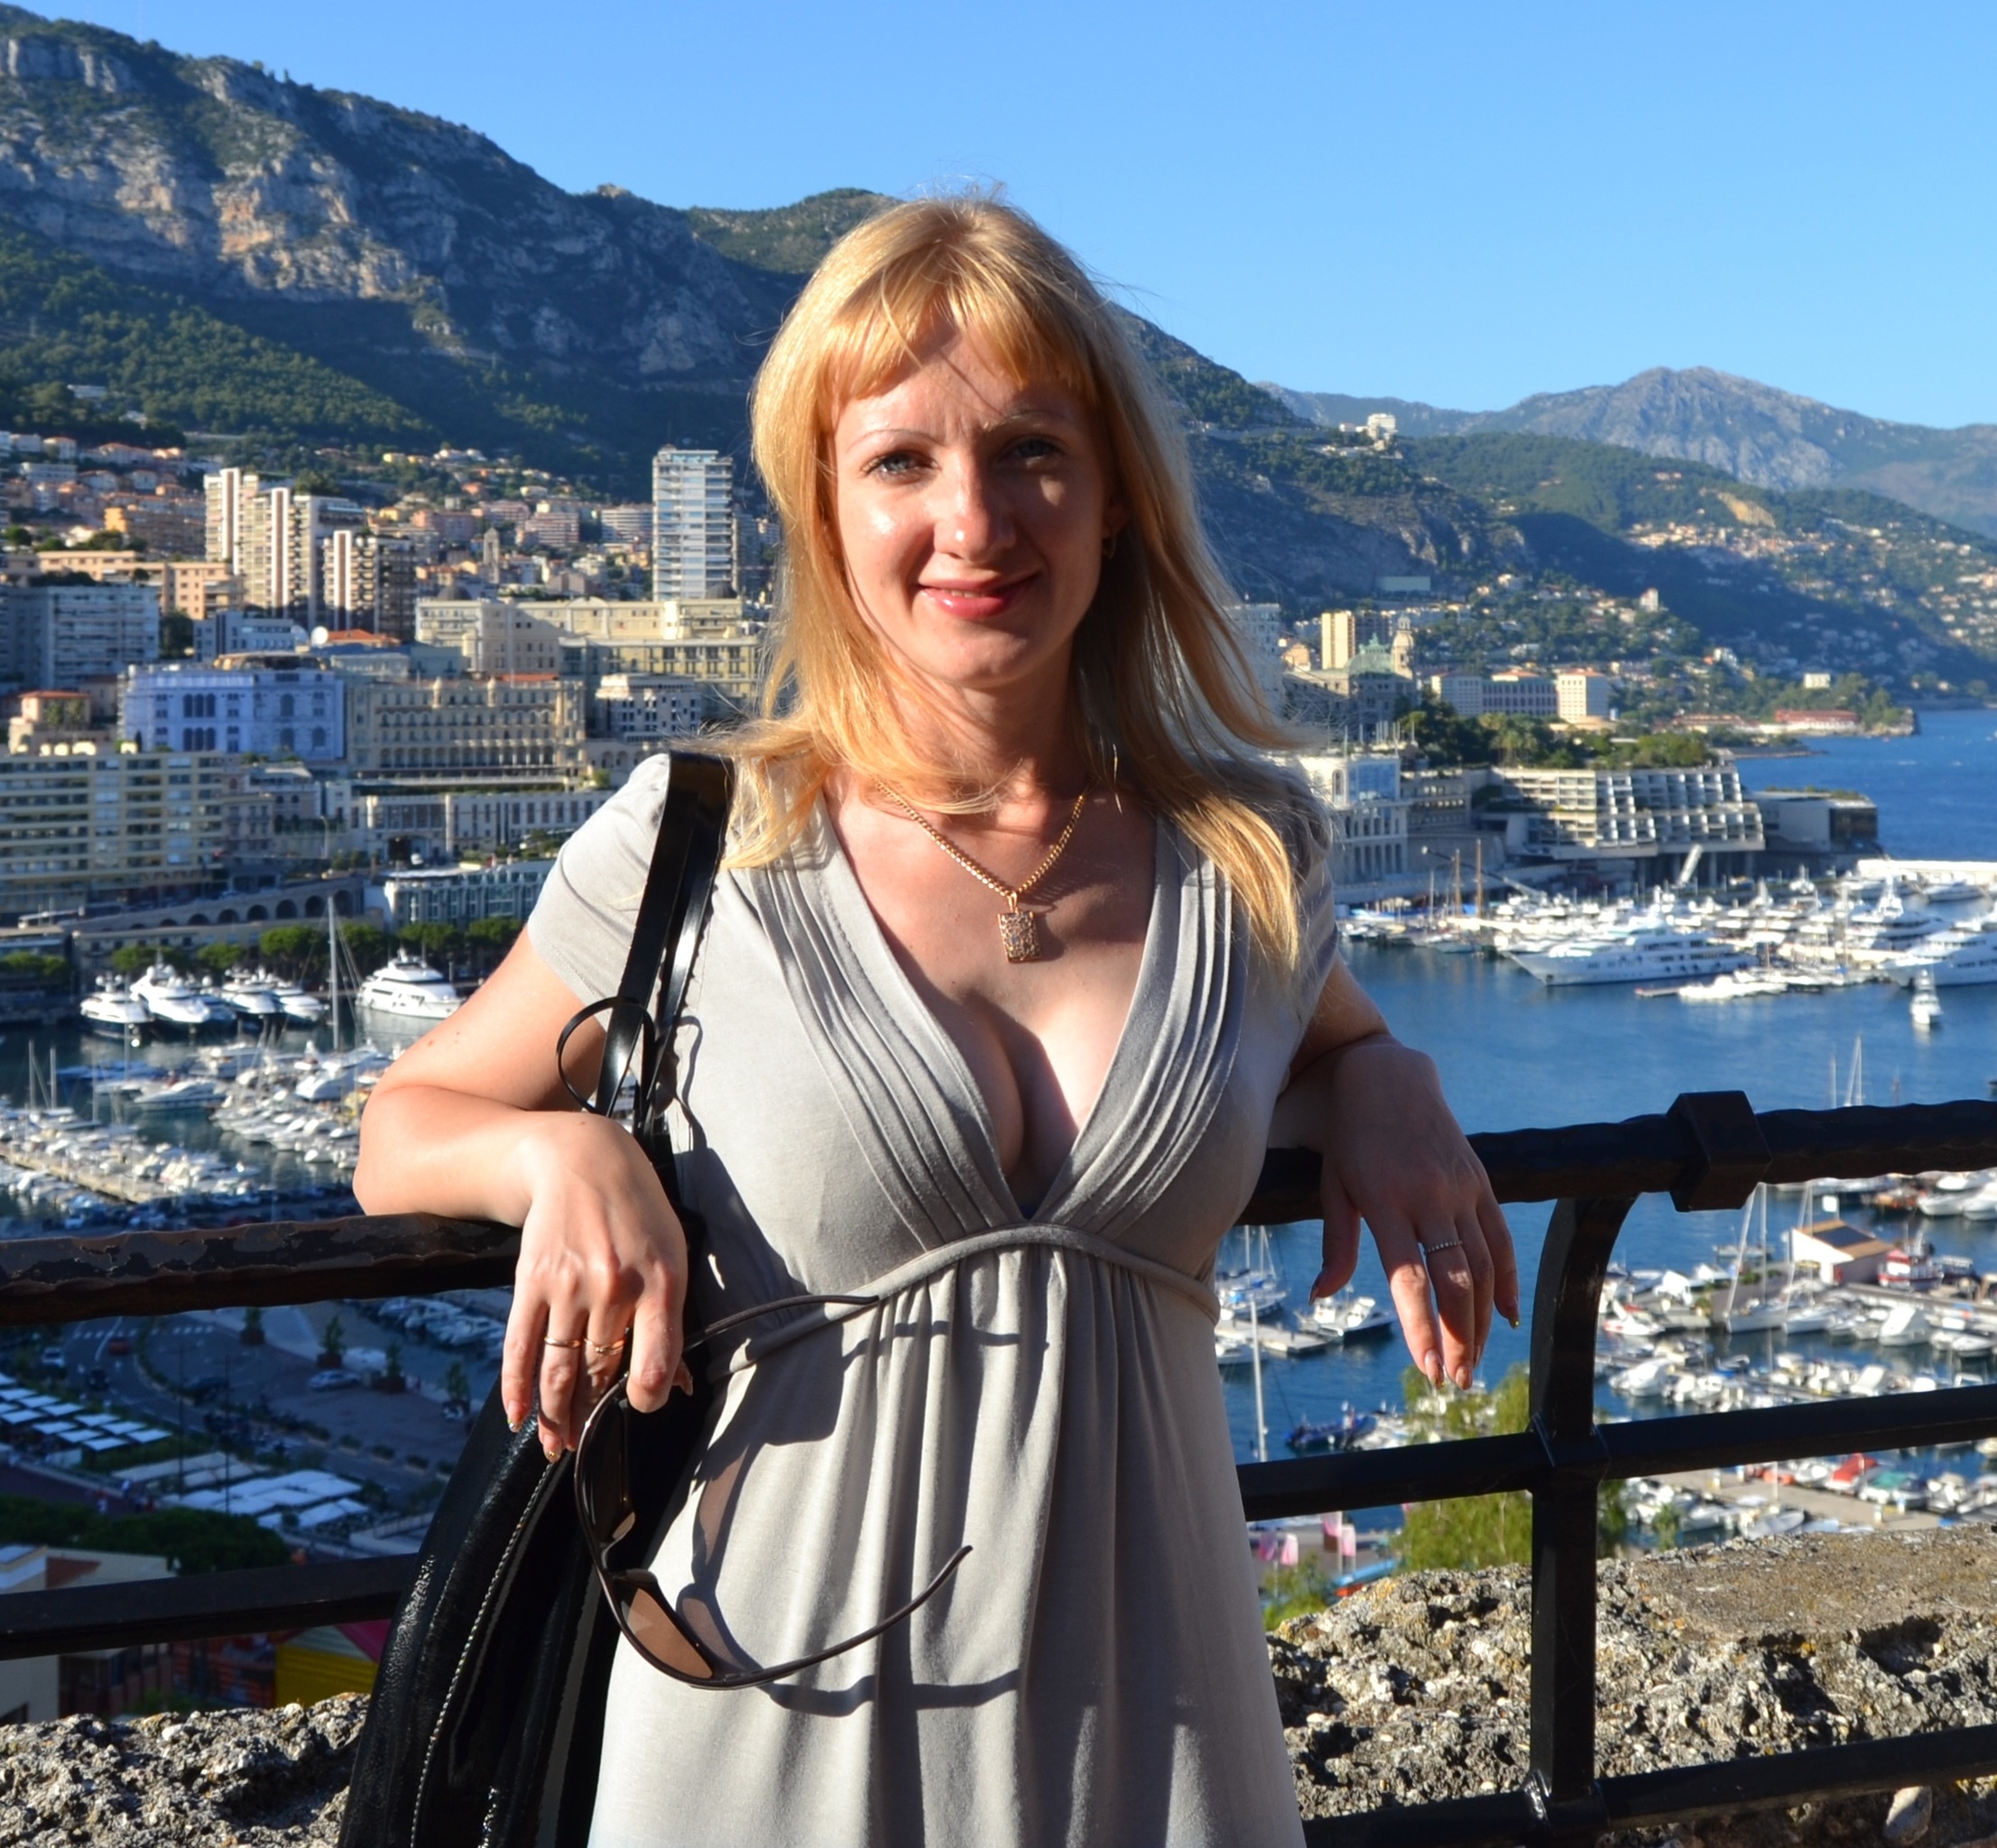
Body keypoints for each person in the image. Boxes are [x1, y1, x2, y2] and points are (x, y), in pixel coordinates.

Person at [355, 193, 1517, 1847]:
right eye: (899, 461)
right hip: (769, 1730)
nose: (972, 520)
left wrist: (1388, 1071)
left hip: (1162, 1734)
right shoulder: (700, 842)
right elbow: (400, 1129)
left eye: (1031, 451)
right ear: (826, 514)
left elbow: (1319, 1040)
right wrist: (555, 1160)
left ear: (1116, 499)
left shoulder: (1249, 859)